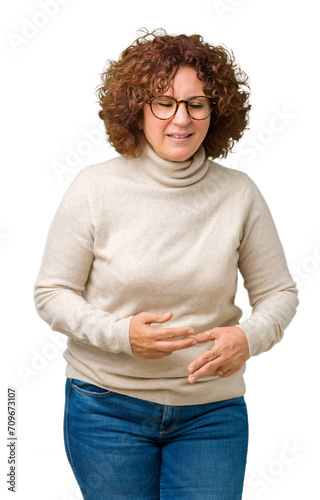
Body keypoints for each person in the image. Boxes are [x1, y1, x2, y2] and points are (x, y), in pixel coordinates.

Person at [34, 28, 298, 500]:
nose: (181, 118)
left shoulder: (239, 194)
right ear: (138, 108)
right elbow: (51, 295)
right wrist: (122, 335)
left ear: (215, 112)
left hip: (211, 413)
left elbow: (279, 294)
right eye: (164, 102)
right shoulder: (94, 189)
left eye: (196, 103)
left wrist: (249, 338)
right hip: (105, 407)